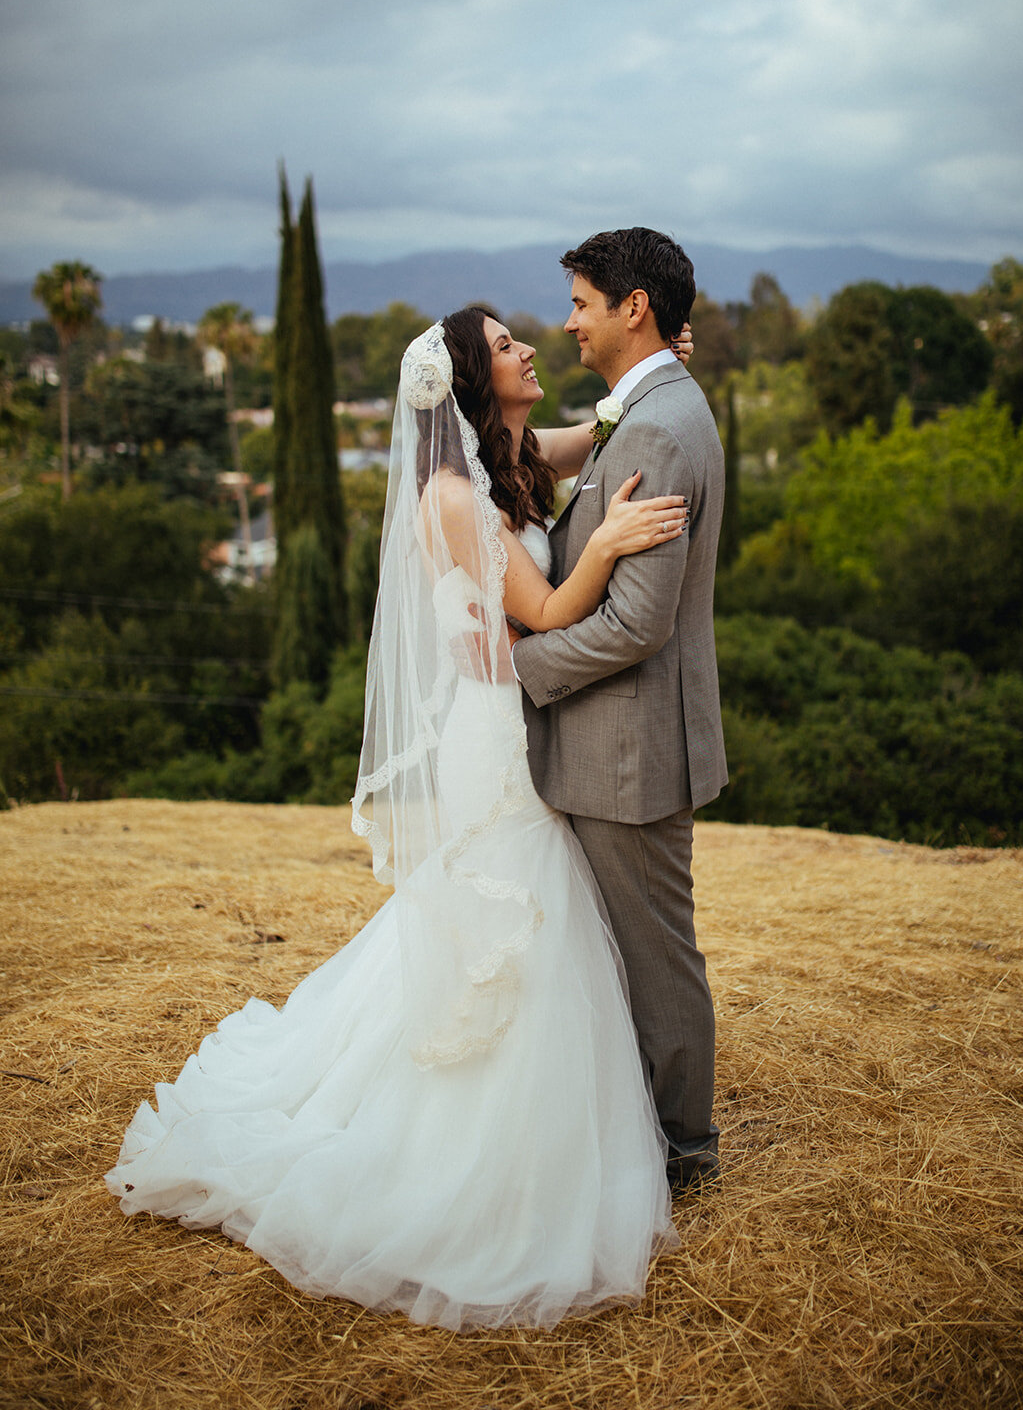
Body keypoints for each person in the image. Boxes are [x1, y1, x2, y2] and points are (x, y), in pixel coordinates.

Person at [105, 302, 695, 1330]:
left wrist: (648, 370)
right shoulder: (453, 496)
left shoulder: (508, 458)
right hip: (493, 735)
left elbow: (584, 434)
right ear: (474, 380)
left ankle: (555, 1126)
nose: (527, 347)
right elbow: (546, 613)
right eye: (507, 344)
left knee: (530, 924)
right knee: (517, 923)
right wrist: (603, 544)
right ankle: (474, 1145)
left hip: (516, 721)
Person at [511, 227, 727, 1193]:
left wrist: (523, 665)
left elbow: (638, 624)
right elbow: (571, 450)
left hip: (628, 747)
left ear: (631, 308)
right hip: (620, 745)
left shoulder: (654, 427)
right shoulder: (647, 407)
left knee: (652, 957)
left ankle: (682, 1150)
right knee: (625, 949)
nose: (566, 323)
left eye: (581, 304)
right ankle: (646, 1129)